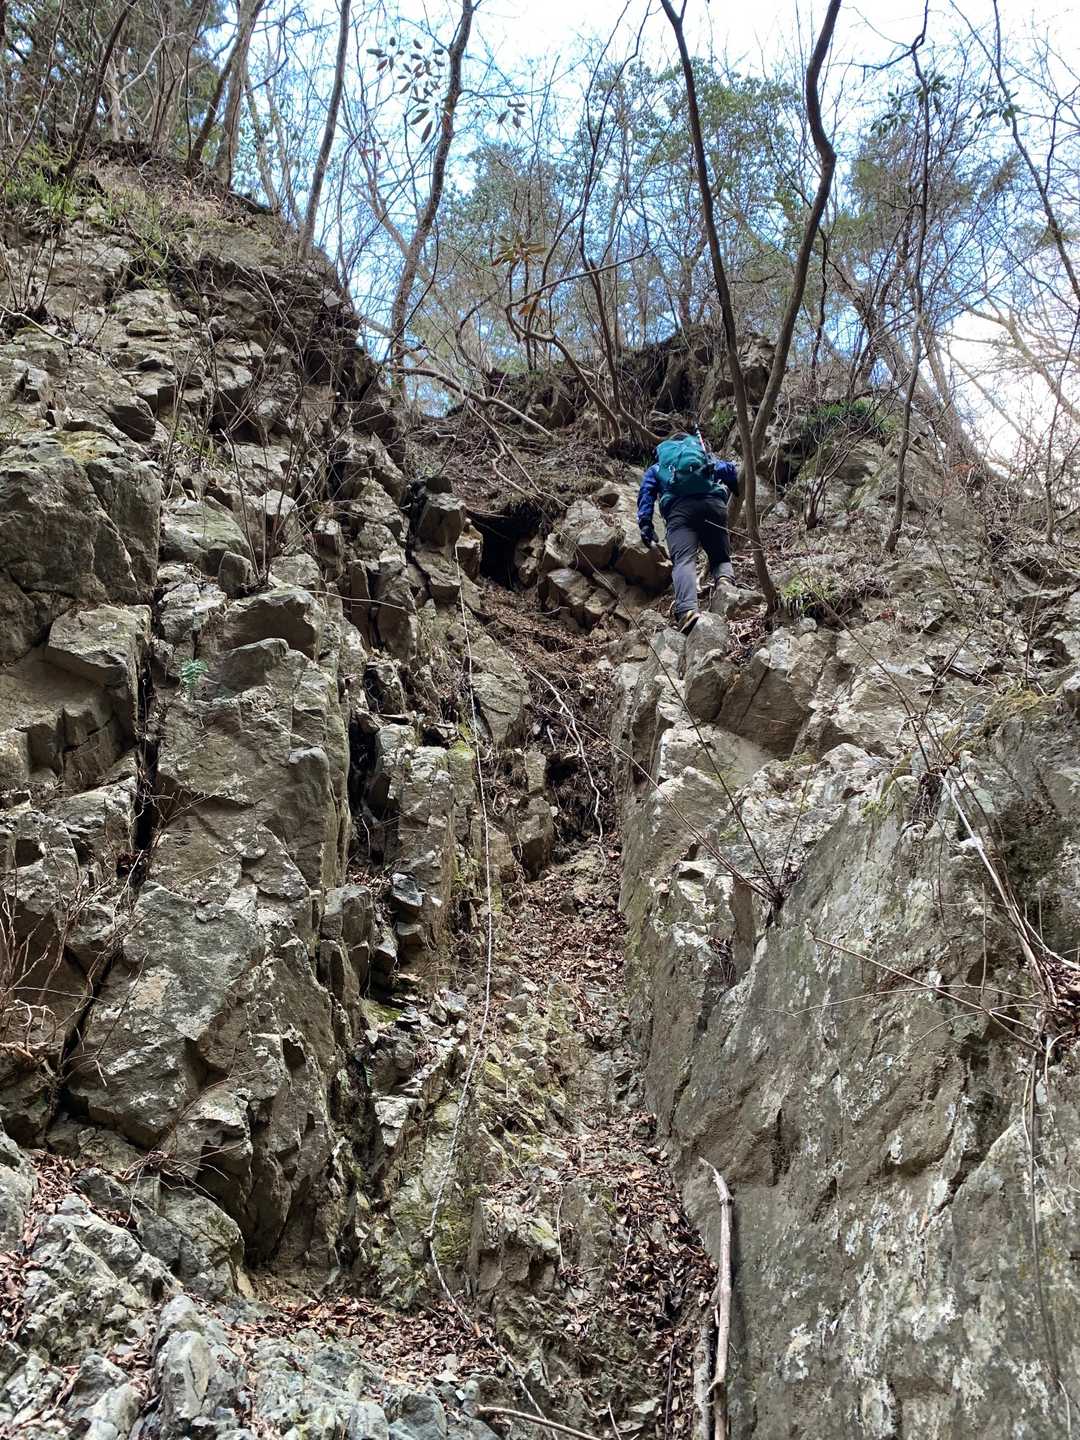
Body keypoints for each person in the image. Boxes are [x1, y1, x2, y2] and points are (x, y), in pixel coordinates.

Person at [637, 431, 739, 633]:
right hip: (713, 506)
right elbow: (728, 470)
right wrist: (735, 486)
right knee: (719, 557)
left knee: (684, 560)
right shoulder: (702, 457)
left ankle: (687, 611)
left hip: (680, 513)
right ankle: (726, 587)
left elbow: (646, 494)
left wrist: (646, 524)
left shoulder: (660, 467)